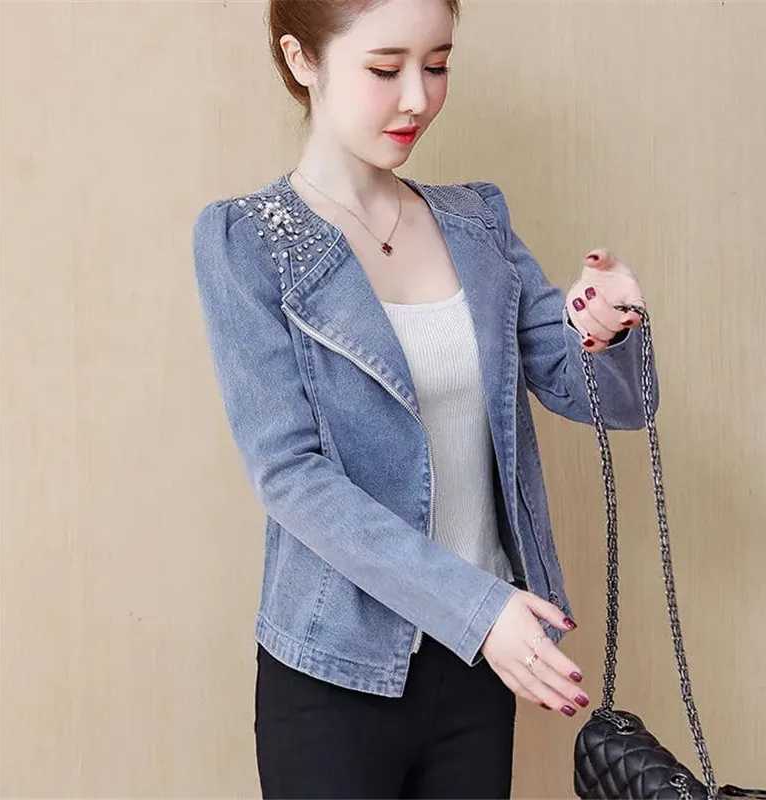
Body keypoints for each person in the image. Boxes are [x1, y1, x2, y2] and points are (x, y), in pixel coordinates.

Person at [191, 0, 659, 797]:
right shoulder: (247, 240)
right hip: (335, 674)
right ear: (302, 59)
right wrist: (477, 607)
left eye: (437, 65)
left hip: (477, 669)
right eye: (386, 68)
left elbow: (611, 402)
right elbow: (290, 476)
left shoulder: (476, 223)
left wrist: (606, 329)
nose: (418, 97)